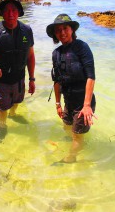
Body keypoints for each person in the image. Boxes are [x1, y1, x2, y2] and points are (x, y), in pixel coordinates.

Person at [0, 0, 36, 142]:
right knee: (2, 108)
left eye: (14, 9)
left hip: (20, 78)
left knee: (18, 101)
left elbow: (30, 56)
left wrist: (31, 79)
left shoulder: (27, 30)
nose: (10, 13)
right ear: (1, 12)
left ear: (19, 11)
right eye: (6, 10)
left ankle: (13, 114)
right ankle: (3, 124)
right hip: (1, 81)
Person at [47, 14, 96, 163]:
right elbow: (56, 81)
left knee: (77, 136)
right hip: (68, 101)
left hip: (83, 103)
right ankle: (74, 144)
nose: (62, 33)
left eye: (65, 28)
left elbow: (91, 76)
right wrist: (58, 104)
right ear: (55, 34)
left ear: (72, 29)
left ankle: (71, 158)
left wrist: (87, 106)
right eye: (58, 30)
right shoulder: (56, 53)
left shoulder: (82, 47)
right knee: (67, 127)